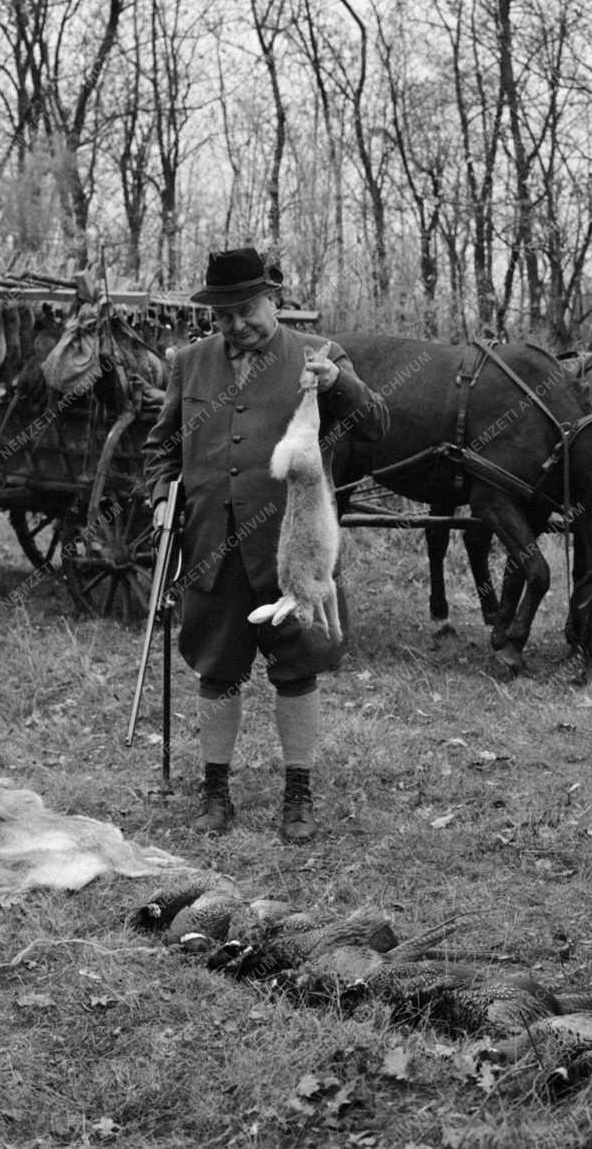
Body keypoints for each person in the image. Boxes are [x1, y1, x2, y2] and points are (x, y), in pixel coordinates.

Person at [143, 247, 388, 843]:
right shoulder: (189, 363)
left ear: (272, 298)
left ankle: (298, 796)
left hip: (293, 551)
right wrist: (159, 496)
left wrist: (341, 385)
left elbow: (378, 426)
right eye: (222, 315)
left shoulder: (319, 358)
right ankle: (214, 792)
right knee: (216, 669)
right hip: (211, 545)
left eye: (246, 309)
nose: (235, 324)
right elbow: (161, 446)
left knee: (296, 669)